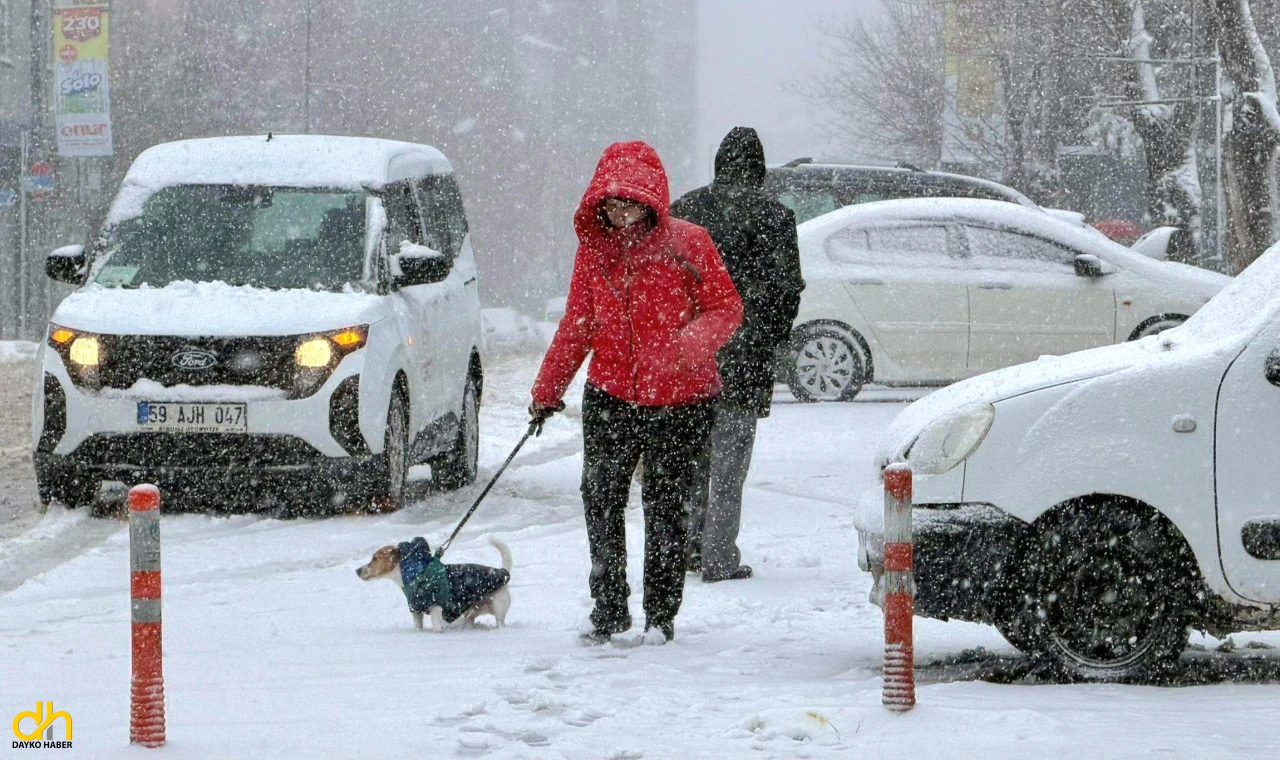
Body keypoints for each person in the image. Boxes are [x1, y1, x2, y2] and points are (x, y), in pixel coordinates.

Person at [530, 141, 744, 644]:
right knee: (600, 500)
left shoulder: (690, 243)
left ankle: (660, 617)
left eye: (629, 202)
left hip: (682, 399)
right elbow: (578, 324)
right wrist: (547, 389)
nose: (620, 212)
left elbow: (725, 307)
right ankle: (608, 609)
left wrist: (686, 347)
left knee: (666, 507)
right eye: (610, 203)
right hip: (611, 395)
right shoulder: (593, 251)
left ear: (651, 201)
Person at [670, 127, 805, 583]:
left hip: (691, 356)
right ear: (759, 168)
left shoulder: (685, 212)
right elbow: (786, 292)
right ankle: (719, 555)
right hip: (745, 361)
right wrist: (766, 338)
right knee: (730, 463)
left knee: (691, 458)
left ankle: (687, 546)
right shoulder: (776, 218)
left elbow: (664, 286)